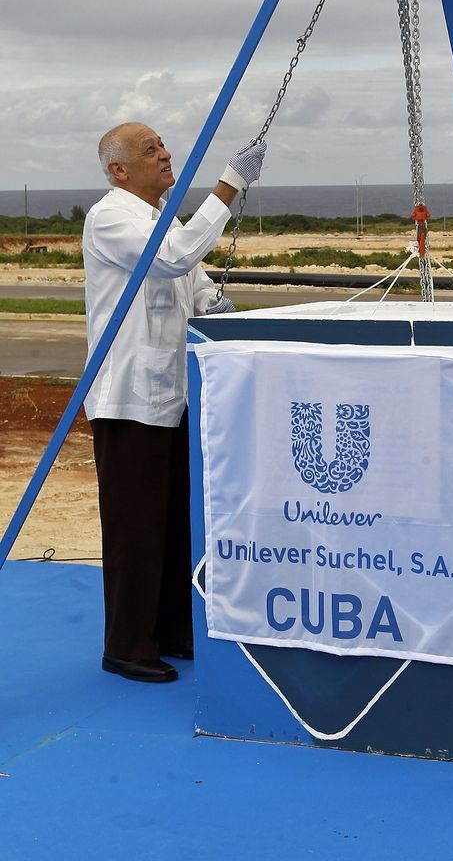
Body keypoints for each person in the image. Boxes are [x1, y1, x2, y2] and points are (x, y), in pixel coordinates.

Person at [84, 123, 266, 683]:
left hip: (173, 395)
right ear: (118, 170)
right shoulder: (111, 216)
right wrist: (231, 184)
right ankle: (127, 645)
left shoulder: (163, 217)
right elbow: (174, 259)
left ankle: (170, 627)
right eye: (149, 150)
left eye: (162, 145)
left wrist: (219, 305)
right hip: (129, 396)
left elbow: (193, 280)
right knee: (134, 524)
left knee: (173, 519)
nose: (165, 155)